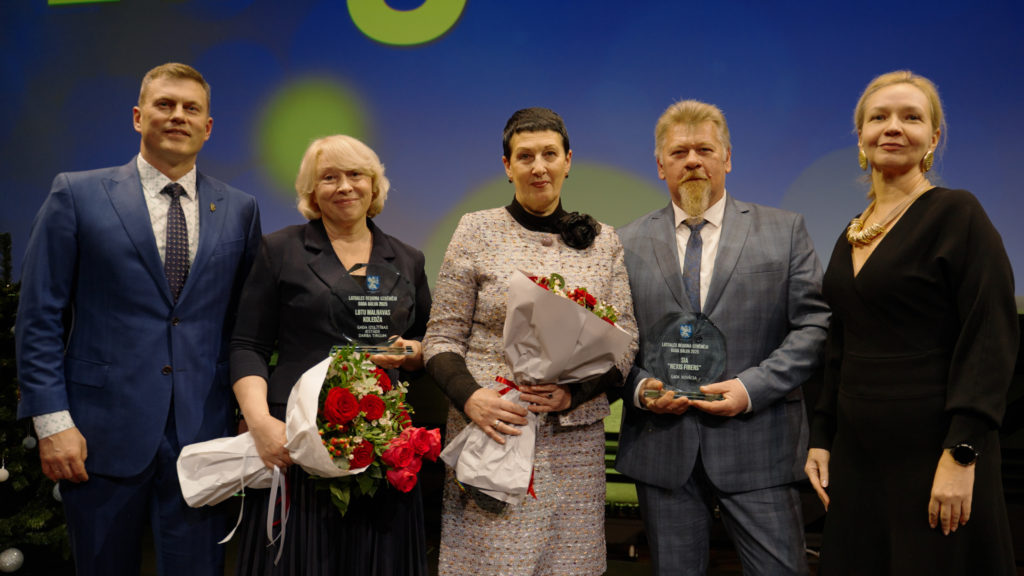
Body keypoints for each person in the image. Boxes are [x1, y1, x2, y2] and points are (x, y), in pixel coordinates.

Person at [15, 63, 262, 576]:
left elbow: (247, 325)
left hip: (204, 434)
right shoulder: (75, 194)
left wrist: (249, 414)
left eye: (191, 108)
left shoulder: (240, 208)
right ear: (137, 116)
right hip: (97, 433)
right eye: (164, 104)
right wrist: (52, 423)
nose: (177, 116)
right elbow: (39, 317)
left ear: (208, 127)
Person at [804, 70, 1018, 575]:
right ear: (861, 135)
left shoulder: (957, 214)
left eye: (911, 117)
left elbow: (990, 338)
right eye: (879, 117)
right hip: (859, 456)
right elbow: (840, 344)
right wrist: (822, 435)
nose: (893, 127)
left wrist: (962, 453)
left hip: (936, 453)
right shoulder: (852, 232)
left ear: (933, 137)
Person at [616, 99, 830, 575]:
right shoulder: (623, 243)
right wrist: (641, 387)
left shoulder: (784, 231)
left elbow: (814, 327)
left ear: (727, 158)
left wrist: (750, 389)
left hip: (760, 446)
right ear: (660, 166)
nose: (692, 161)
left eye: (705, 150)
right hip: (663, 452)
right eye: (679, 152)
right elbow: (610, 343)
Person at [422, 107, 638, 575]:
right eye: (525, 156)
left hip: (574, 447)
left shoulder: (604, 241)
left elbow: (626, 341)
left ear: (568, 161)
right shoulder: (476, 230)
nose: (538, 167)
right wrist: (471, 397)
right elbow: (441, 337)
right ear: (507, 166)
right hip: (494, 431)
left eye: (549, 154)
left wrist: (574, 393)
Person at [229, 134, 432, 575]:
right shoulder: (279, 250)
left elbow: (427, 342)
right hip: (295, 441)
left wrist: (410, 352)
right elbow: (248, 345)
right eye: (329, 177)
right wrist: (260, 423)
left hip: (382, 445)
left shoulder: (408, 259)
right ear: (311, 191)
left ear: (374, 185)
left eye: (356, 174)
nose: (344, 186)